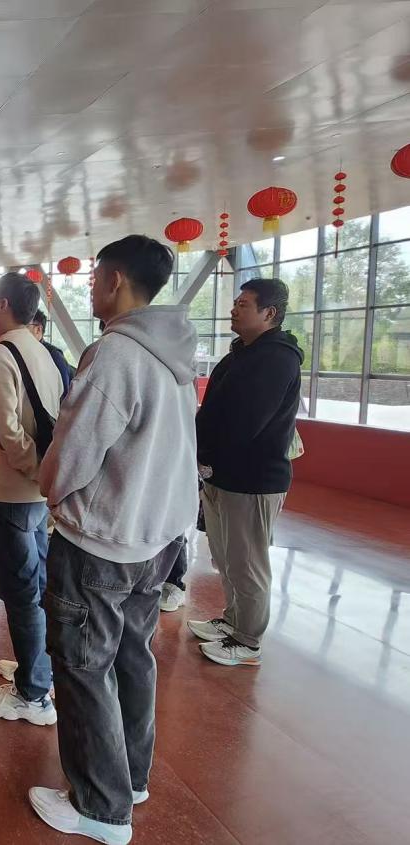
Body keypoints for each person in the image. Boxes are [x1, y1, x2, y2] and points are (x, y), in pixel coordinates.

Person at [32, 235, 200, 844]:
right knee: (133, 654)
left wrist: (52, 491)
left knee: (83, 664)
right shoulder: (174, 354)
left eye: (95, 276)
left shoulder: (115, 353)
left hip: (104, 538)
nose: (89, 287)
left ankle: (102, 809)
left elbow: (75, 450)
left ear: (117, 280)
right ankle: (130, 776)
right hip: (157, 535)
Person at [190, 277, 302, 667]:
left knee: (248, 562)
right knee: (226, 556)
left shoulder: (277, 359)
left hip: (253, 480)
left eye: (243, 304)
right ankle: (233, 620)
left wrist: (208, 455)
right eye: (235, 302)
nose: (234, 309)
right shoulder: (240, 353)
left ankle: (248, 639)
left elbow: (246, 423)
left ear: (269, 313)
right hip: (222, 474)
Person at [0, 272, 63, 727]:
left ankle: (32, 694)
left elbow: (4, 430)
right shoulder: (41, 350)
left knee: (20, 589)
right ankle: (38, 667)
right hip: (34, 492)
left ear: (3, 305)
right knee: (37, 581)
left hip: (10, 489)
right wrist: (43, 475)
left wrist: (32, 470)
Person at [29, 311, 74, 399]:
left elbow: (65, 393)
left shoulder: (53, 355)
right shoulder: (27, 353)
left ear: (38, 329)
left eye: (25, 327)